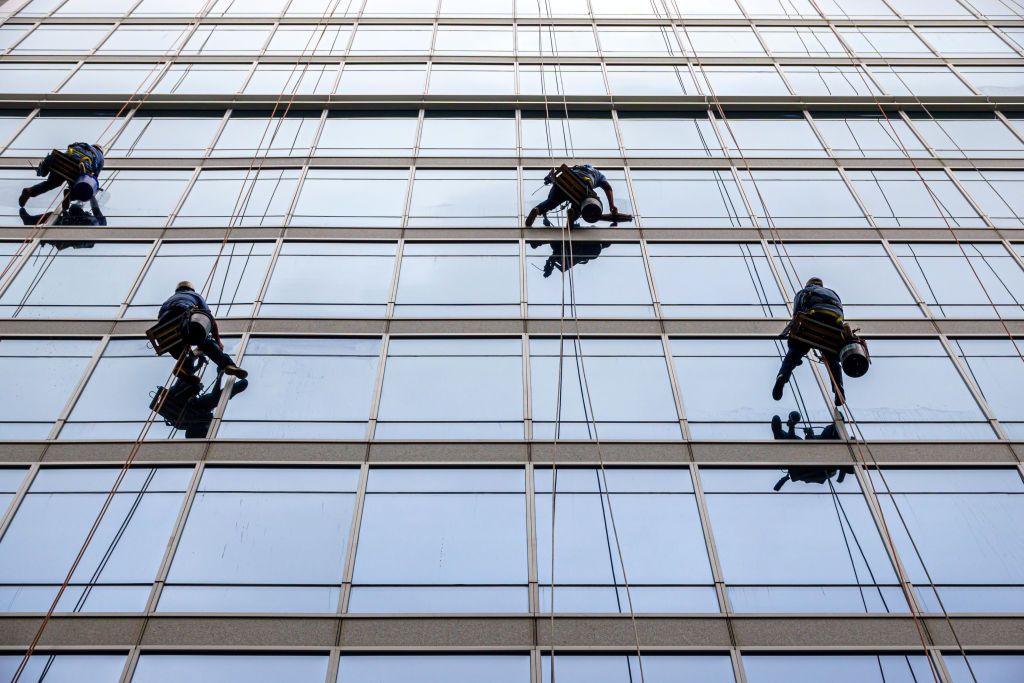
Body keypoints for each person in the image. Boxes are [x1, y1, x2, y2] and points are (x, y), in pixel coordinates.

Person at [772, 277, 845, 406]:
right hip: (832, 324)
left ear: (808, 284)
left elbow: (796, 313)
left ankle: (782, 376)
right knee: (832, 359)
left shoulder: (804, 292)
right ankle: (838, 387)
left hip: (813, 319)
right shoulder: (833, 293)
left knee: (794, 351)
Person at [158, 280, 247, 378]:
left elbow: (160, 318)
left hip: (166, 334)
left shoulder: (168, 300)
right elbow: (209, 318)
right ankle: (228, 364)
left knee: (185, 353)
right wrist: (218, 341)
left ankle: (184, 368)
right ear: (191, 289)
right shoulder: (195, 295)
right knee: (206, 341)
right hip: (184, 321)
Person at [153, 368, 248, 439]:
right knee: (209, 395)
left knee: (210, 395)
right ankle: (229, 390)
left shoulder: (200, 406)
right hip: (191, 410)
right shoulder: (199, 405)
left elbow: (214, 396)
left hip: (192, 411)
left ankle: (227, 388)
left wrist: (219, 376)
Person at [18, 142, 104, 213]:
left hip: (61, 161)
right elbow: (93, 177)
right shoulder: (100, 156)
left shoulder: (81, 145)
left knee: (52, 183)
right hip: (79, 169)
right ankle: (70, 194)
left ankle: (30, 191)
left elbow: (69, 146)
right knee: (82, 187)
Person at [525, 163, 618, 228]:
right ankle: (572, 214)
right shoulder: (598, 174)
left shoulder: (575, 168)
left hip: (563, 181)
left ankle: (537, 210)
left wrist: (550, 178)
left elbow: (553, 176)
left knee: (551, 202)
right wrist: (612, 206)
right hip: (583, 185)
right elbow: (607, 187)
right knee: (582, 204)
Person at [529, 239, 610, 278]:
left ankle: (538, 242)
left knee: (555, 241)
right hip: (570, 250)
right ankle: (538, 242)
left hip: (571, 248)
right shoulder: (596, 252)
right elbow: (579, 258)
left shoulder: (596, 249)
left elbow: (580, 258)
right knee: (555, 244)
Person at [20, 196, 106, 227]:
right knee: (53, 216)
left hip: (74, 226)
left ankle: (30, 221)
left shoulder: (101, 223)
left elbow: (95, 208)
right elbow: (95, 208)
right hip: (73, 226)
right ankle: (30, 220)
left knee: (53, 216)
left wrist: (91, 195)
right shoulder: (98, 224)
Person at [771, 410, 841, 441]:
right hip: (808, 450)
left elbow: (791, 439)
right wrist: (791, 427)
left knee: (828, 429)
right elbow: (790, 441)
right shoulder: (780, 436)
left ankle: (837, 429)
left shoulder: (781, 434)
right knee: (829, 429)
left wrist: (810, 434)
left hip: (810, 448)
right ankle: (837, 429)